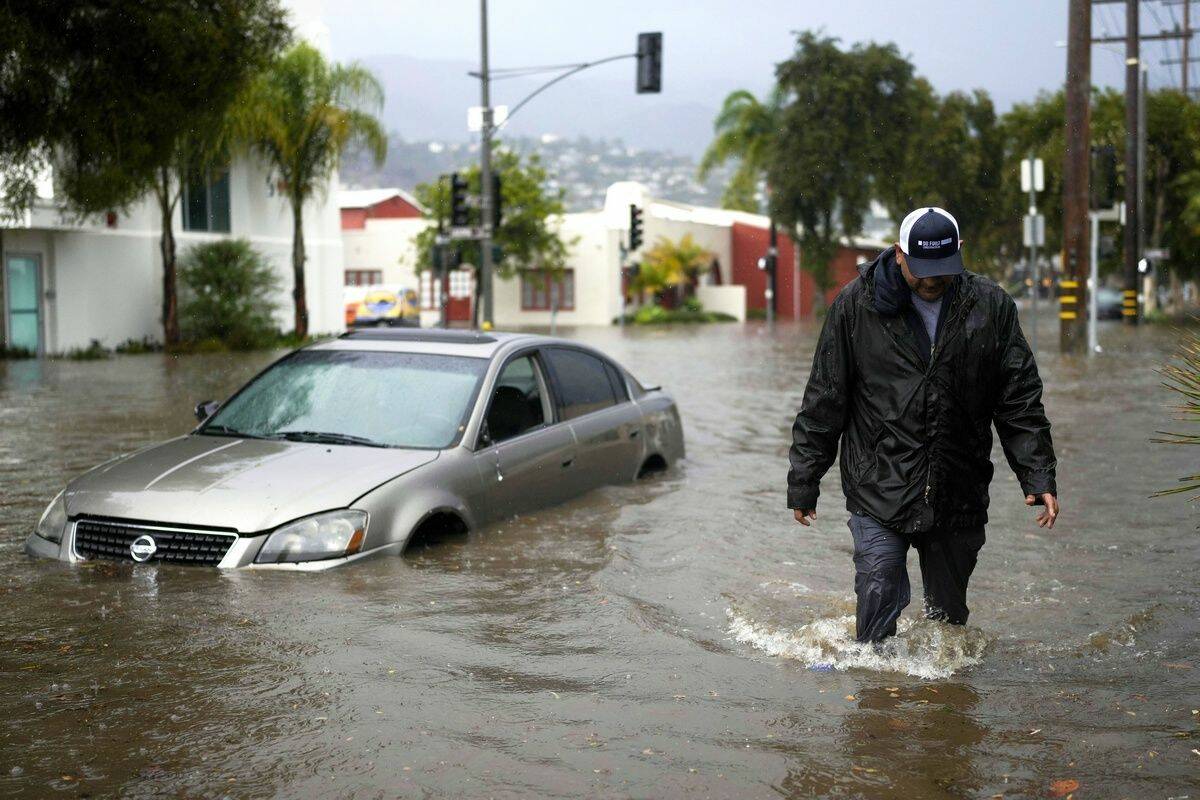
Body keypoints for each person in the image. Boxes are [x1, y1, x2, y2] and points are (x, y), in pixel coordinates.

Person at [786, 207, 1059, 643]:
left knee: (948, 628)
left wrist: (1037, 472)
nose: (931, 281)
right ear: (899, 254)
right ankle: (874, 696)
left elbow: (1018, 399)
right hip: (879, 481)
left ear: (960, 252)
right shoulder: (857, 306)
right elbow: (825, 399)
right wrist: (804, 479)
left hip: (957, 486)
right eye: (921, 270)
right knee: (879, 592)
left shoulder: (990, 306)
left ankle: (941, 707)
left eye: (942, 269)